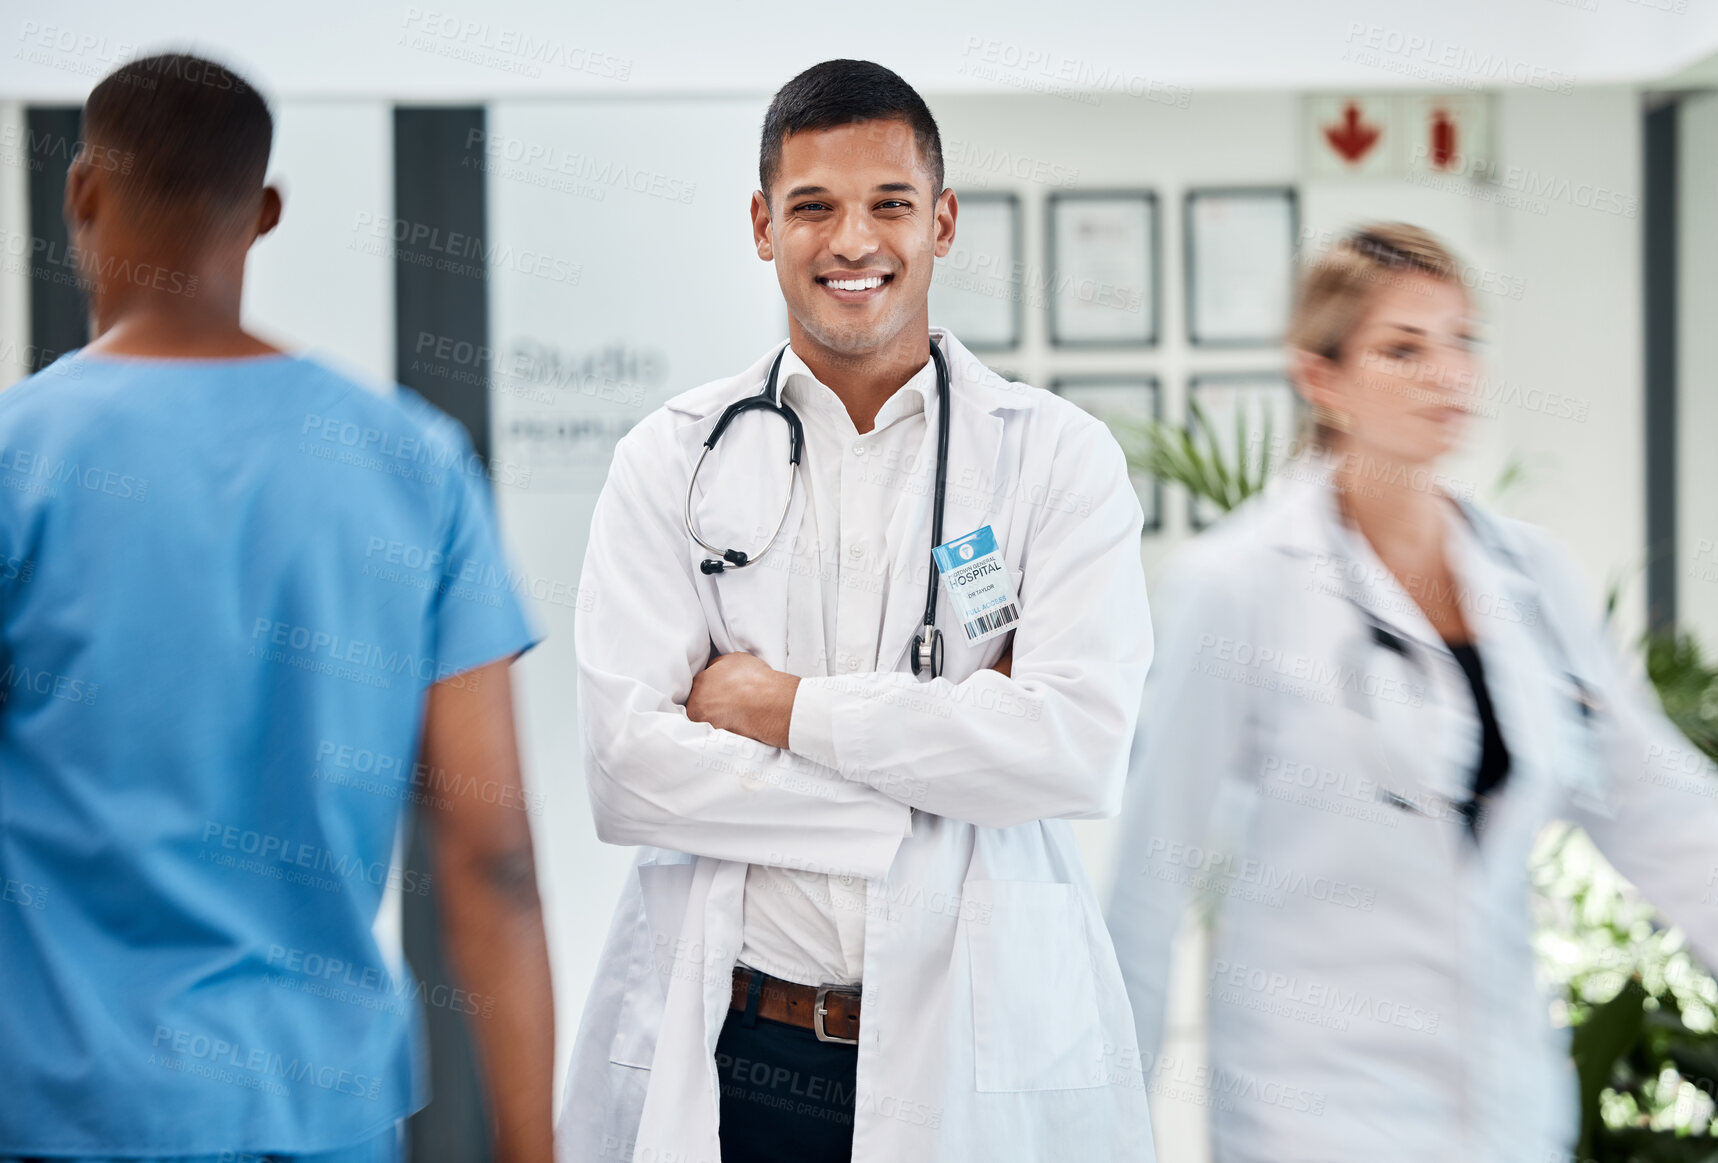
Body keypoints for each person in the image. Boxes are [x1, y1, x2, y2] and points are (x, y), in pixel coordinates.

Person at [559, 59, 1155, 1163]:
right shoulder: (670, 459)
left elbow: (1074, 749)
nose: (851, 241)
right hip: (739, 1049)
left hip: (974, 1054)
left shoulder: (1052, 459)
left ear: (940, 221)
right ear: (759, 224)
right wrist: (923, 794)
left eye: (887, 204)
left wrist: (778, 708)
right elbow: (625, 768)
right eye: (812, 207)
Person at [0, 54, 554, 1162]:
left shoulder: (19, 457)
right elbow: (489, 853)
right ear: (262, 214)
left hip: (68, 1114)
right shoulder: (412, 461)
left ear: (81, 195)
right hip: (322, 1113)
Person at [1106, 222, 1718, 1161]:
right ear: (1322, 375)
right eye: (1404, 348)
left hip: (1504, 1108)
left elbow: (1664, 813)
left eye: (1460, 342)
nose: (1447, 374)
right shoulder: (1239, 587)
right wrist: (1105, 1129)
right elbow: (1150, 879)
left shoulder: (1533, 582)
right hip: (1312, 1113)